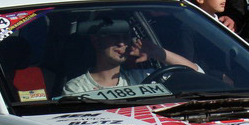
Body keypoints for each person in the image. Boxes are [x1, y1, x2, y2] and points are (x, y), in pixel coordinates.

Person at [62, 20, 197, 93]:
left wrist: (156, 52)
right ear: (96, 41)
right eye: (114, 37)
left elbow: (195, 73)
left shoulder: (142, 78)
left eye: (125, 37)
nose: (121, 43)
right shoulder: (77, 89)